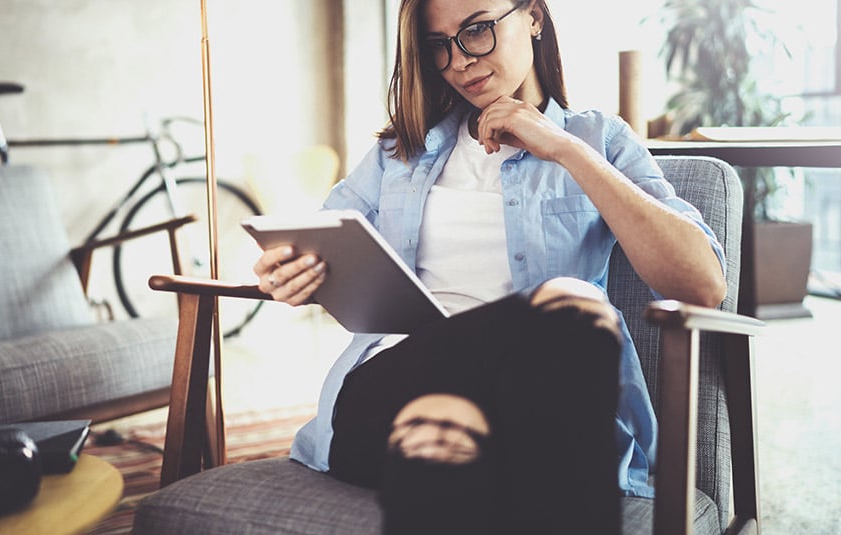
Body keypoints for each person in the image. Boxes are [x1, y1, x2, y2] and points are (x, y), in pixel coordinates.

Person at [252, 0, 727, 532]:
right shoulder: (398, 152)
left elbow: (701, 283)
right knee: (573, 306)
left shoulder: (599, 141)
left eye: (476, 31)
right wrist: (290, 269)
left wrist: (567, 152)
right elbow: (320, 244)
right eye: (438, 45)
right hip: (383, 395)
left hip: (522, 411)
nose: (458, 61)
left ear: (534, 17)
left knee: (459, 427)